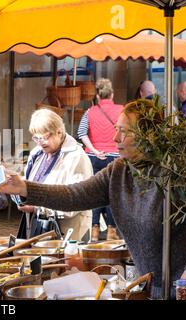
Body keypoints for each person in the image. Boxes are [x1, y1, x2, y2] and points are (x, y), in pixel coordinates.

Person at [0, 99, 186, 299]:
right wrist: (25, 188)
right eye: (116, 129)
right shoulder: (119, 171)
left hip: (185, 287)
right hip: (148, 286)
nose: (115, 138)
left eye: (124, 131)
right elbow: (74, 195)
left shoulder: (176, 175)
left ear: (148, 136)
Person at [15, 108, 93, 241]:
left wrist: (37, 208)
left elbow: (76, 202)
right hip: (39, 230)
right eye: (36, 137)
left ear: (59, 132)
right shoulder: (37, 153)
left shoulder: (77, 157)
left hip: (68, 235)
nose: (40, 142)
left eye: (45, 137)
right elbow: (33, 184)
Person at [77, 78, 123, 242]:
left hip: (94, 158)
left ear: (97, 96)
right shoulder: (122, 111)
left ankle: (95, 230)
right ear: (112, 94)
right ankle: (111, 230)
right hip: (116, 158)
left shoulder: (90, 112)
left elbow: (81, 133)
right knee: (113, 193)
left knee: (95, 192)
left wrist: (95, 150)